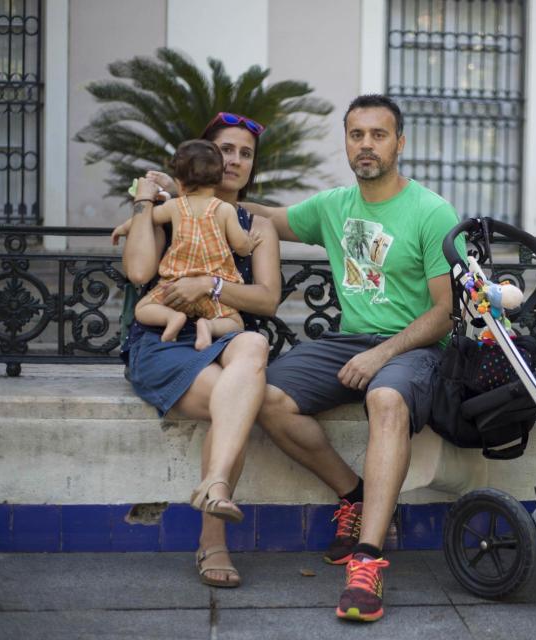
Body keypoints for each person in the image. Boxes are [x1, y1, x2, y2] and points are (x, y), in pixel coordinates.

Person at [244, 94, 465, 622]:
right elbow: (268, 218)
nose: (366, 145)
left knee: (386, 399)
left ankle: (367, 562)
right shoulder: (333, 206)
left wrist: (384, 354)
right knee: (265, 396)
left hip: (415, 346)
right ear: (346, 142)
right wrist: (182, 202)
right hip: (350, 342)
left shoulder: (431, 211)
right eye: (356, 135)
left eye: (378, 135)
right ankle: (355, 494)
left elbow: (445, 312)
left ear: (399, 143)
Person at [115, 111, 281, 588]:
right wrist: (144, 203)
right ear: (203, 156)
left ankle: (213, 488)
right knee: (241, 398)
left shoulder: (256, 225)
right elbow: (140, 272)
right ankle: (214, 534)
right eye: (225, 149)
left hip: (224, 334)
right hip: (164, 340)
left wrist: (207, 283)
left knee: (253, 340)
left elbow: (266, 300)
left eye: (245, 154)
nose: (234, 161)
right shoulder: (170, 210)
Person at [133, 139, 262, 350]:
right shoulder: (224, 210)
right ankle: (208, 327)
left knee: (142, 309)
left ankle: (172, 318)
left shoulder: (174, 206)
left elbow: (146, 217)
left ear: (180, 184)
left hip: (174, 286)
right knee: (236, 323)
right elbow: (241, 246)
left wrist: (125, 227)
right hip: (211, 290)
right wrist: (250, 242)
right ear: (219, 177)